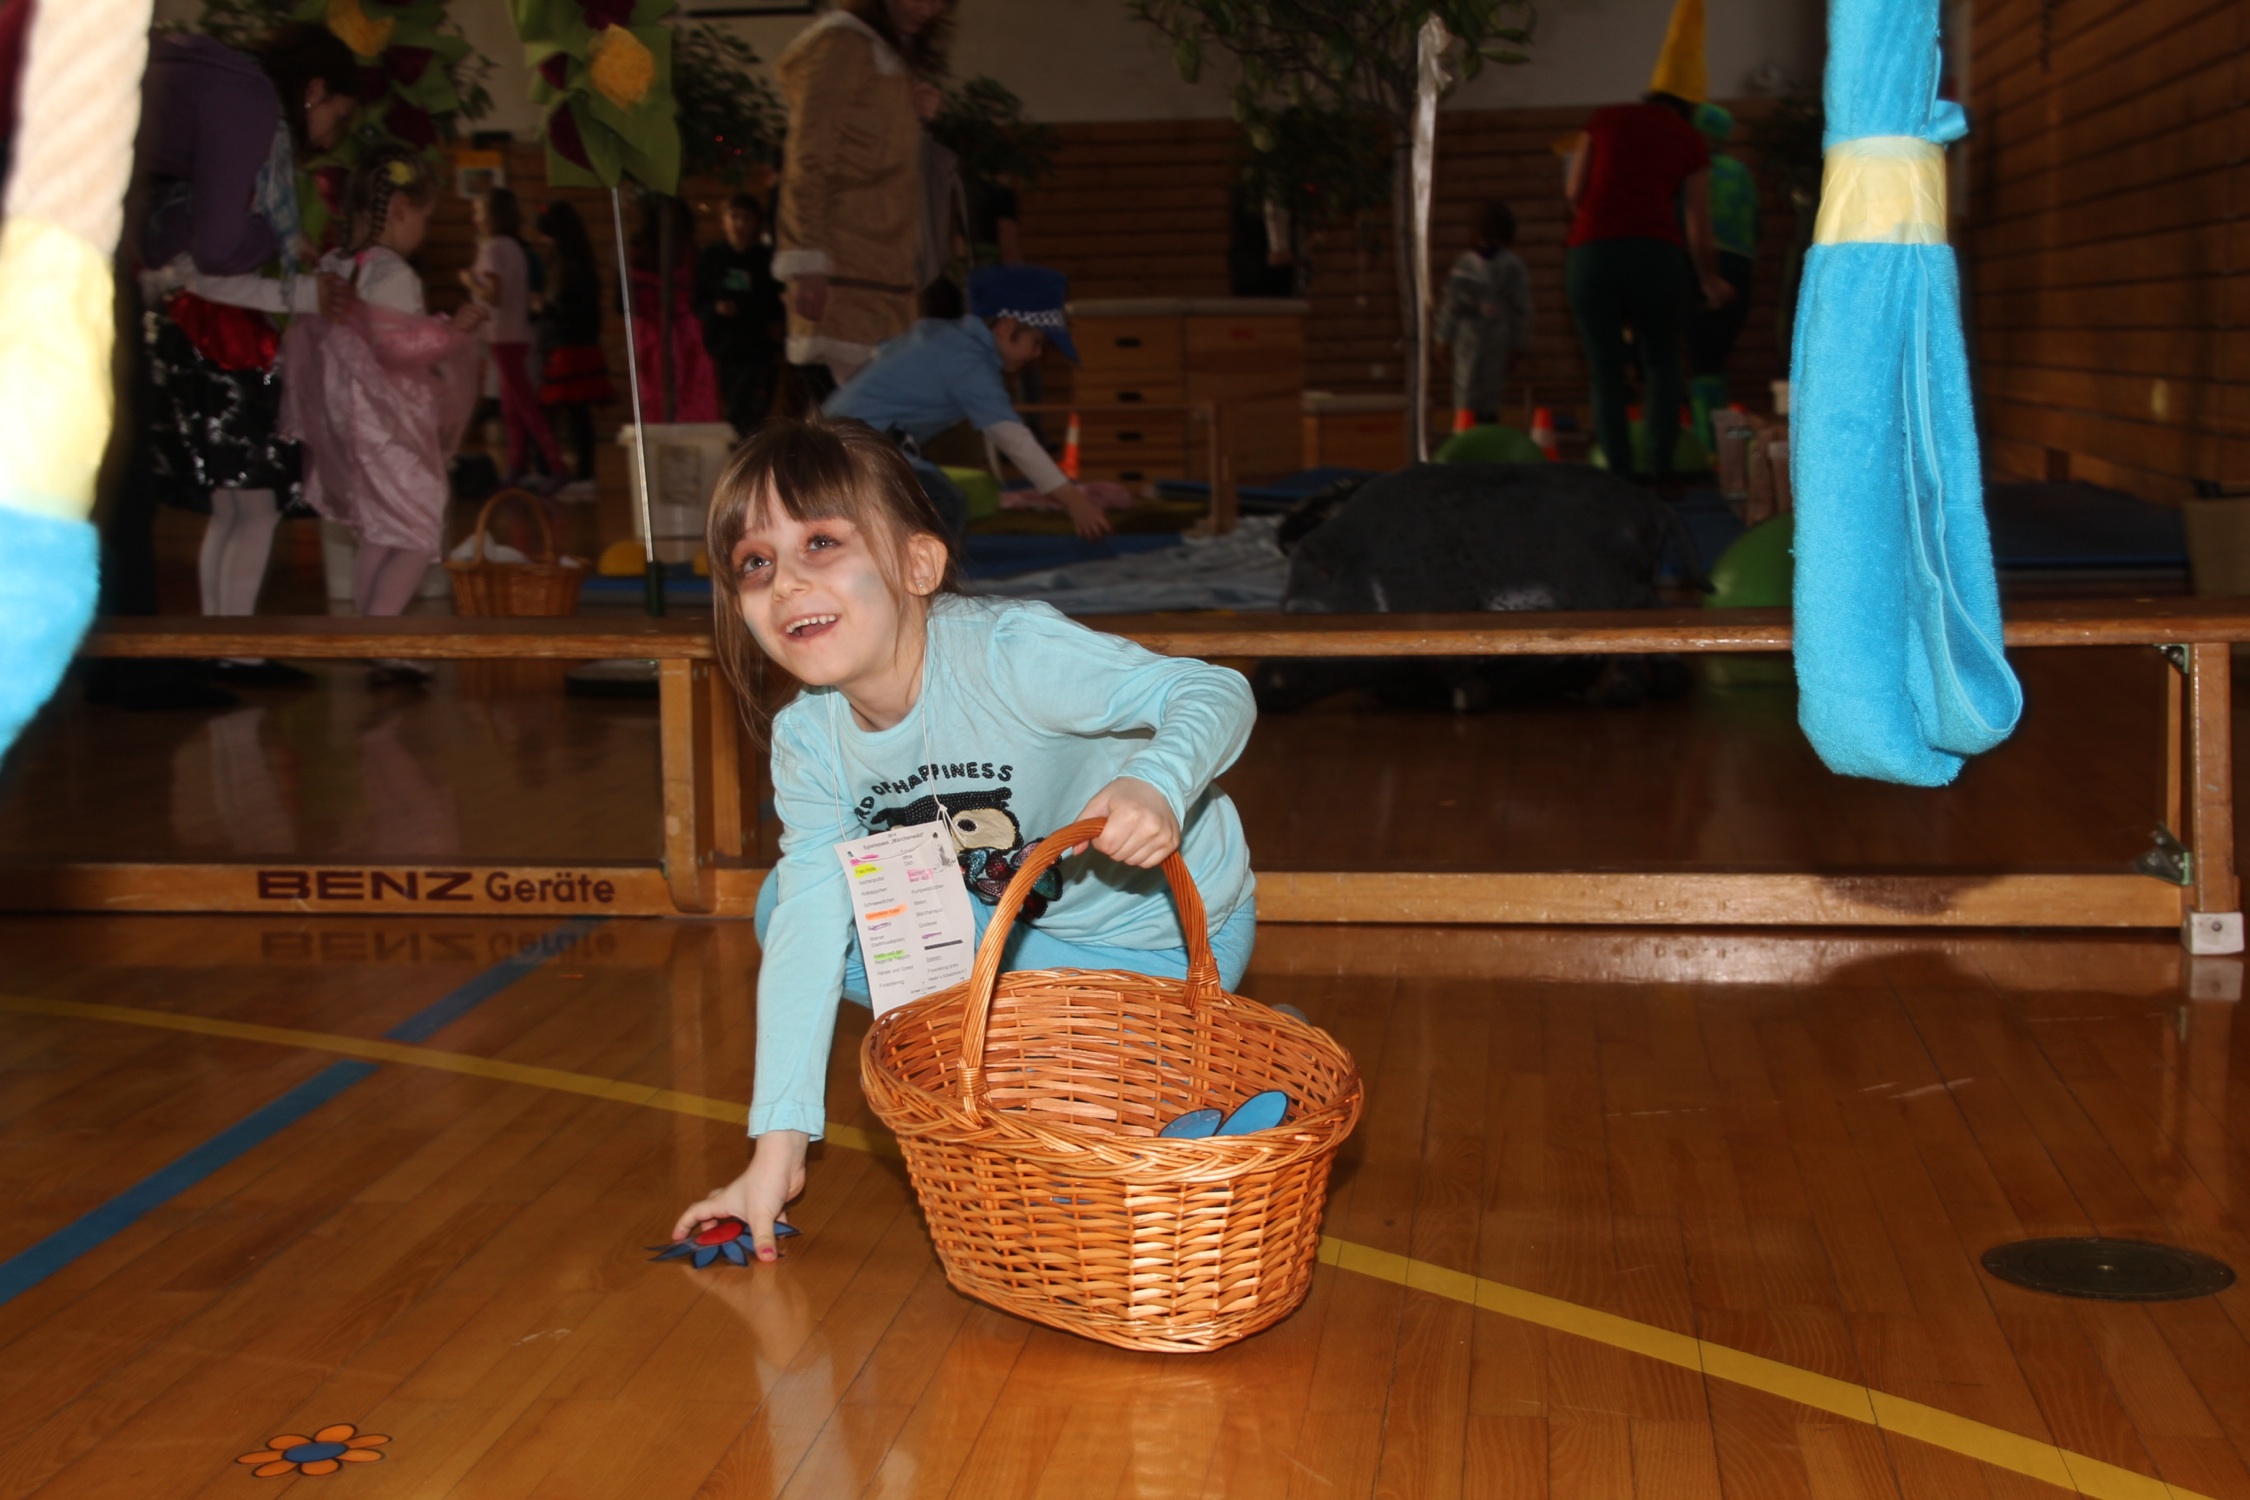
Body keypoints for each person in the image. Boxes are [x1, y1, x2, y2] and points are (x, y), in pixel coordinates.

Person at [668, 417, 1257, 1261]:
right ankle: (1056, 1070)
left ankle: (1178, 1051)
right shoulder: (808, 737)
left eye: (821, 543)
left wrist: (1156, 782)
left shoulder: (1009, 655)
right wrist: (777, 1150)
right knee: (792, 906)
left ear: (919, 565)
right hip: (1012, 941)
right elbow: (805, 929)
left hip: (1161, 945)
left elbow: (1214, 691)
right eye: (755, 563)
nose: (786, 582)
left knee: (1084, 1183)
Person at [101, 23, 359, 707]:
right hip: (215, 352)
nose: (332, 134)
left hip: (191, 341)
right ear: (314, 90)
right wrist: (280, 254)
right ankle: (209, 649)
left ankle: (216, 643)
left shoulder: (215, 107)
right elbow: (214, 259)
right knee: (246, 504)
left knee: (234, 509)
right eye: (338, 114)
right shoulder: (245, 105)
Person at [280, 148, 486, 684]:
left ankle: (371, 633)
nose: (424, 231)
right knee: (419, 526)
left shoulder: (337, 264)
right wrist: (452, 332)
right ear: (399, 209)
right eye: (424, 218)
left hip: (353, 420)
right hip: (387, 423)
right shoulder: (391, 272)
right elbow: (394, 349)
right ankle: (384, 637)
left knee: (380, 530)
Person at [825, 264, 1112, 540]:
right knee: (941, 505)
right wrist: (1073, 499)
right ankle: (917, 573)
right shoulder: (970, 362)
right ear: (1005, 327)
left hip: (842, 444)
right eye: (1036, 342)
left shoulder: (945, 337)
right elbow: (1013, 439)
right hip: (850, 451)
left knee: (933, 502)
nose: (1037, 354)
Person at [774, 0, 953, 393]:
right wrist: (807, 262)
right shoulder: (841, 44)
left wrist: (907, 110)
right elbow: (808, 157)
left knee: (881, 417)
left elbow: (869, 146)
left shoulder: (880, 53)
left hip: (884, 273)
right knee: (868, 416)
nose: (930, 9)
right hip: (846, 275)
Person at [1564, 91, 1733, 484]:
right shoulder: (1688, 137)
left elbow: (1574, 192)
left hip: (1592, 252)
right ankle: (1661, 471)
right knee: (1662, 363)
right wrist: (1709, 280)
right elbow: (1698, 226)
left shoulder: (1603, 118)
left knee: (1605, 369)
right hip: (1655, 253)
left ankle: (1617, 476)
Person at [463, 187, 562, 489]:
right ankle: (517, 465)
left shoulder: (493, 248)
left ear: (492, 215)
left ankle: (556, 466)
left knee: (525, 405)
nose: (475, 218)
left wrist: (469, 281)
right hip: (515, 333)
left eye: (479, 212)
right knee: (512, 406)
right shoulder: (515, 247)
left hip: (503, 334)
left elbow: (493, 295)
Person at [1685, 102, 1759, 453]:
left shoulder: (1692, 171)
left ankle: (1709, 443)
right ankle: (1722, 435)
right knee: (1717, 356)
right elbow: (1756, 224)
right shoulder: (1739, 172)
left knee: (1701, 358)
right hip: (1741, 264)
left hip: (1702, 262)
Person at [532, 200, 613, 492]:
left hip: (574, 349)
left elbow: (582, 313)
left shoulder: (576, 268)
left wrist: (546, 308)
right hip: (564, 346)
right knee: (570, 416)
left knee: (577, 416)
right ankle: (566, 471)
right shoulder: (563, 264)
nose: (545, 242)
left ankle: (583, 476)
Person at [1434, 201, 1534, 429]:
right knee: (1480, 393)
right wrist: (1519, 344)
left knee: (1473, 391)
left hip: (1479, 338)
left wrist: (1443, 338)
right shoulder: (1503, 265)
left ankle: (1472, 433)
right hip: (1483, 338)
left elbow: (1451, 304)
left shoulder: (1477, 264)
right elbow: (1521, 309)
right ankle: (1476, 432)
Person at [695, 192, 785, 437]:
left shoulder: (765, 259)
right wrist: (717, 309)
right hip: (726, 346)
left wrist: (777, 328)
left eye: (747, 218)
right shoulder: (712, 258)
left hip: (759, 346)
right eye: (734, 217)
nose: (740, 224)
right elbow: (699, 301)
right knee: (732, 405)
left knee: (755, 407)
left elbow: (776, 302)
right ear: (723, 221)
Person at [626, 194, 720, 424]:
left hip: (682, 329)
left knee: (688, 385)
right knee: (657, 387)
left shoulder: (688, 250)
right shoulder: (638, 249)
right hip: (652, 330)